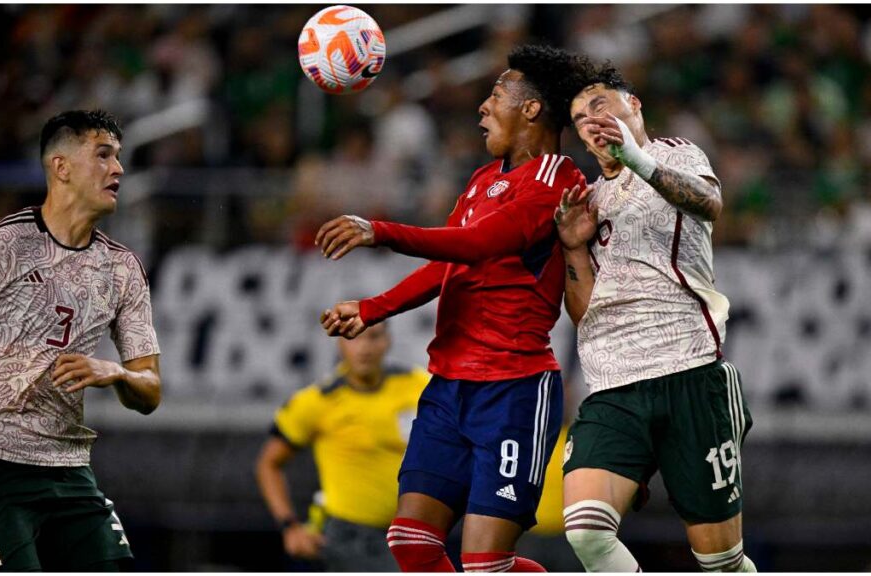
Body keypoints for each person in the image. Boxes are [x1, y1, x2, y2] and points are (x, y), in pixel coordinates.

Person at [314, 45, 587, 572]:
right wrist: (374, 308)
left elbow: (479, 243)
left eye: (496, 95)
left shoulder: (559, 181)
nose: (483, 107)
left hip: (513, 390)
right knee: (410, 541)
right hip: (447, 387)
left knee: (485, 564)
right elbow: (452, 261)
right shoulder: (484, 180)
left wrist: (380, 230)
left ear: (531, 110)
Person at [553, 58, 757, 572]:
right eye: (578, 118)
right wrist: (575, 250)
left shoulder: (674, 154)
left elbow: (710, 204)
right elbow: (587, 316)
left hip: (688, 371)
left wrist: (635, 158)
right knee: (585, 532)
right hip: (613, 385)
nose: (589, 121)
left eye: (599, 105)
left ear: (633, 106)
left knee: (721, 562)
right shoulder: (588, 199)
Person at [0, 109, 161, 572]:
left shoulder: (122, 270)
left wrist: (114, 372)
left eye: (119, 158)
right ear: (62, 167)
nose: (119, 169)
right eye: (104, 155)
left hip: (69, 469)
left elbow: (151, 391)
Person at [254, 322, 430, 572]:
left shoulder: (418, 385)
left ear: (387, 341)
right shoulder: (318, 401)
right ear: (339, 342)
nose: (364, 347)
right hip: (352, 536)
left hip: (415, 532)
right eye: (354, 338)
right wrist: (290, 527)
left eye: (373, 337)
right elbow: (268, 463)